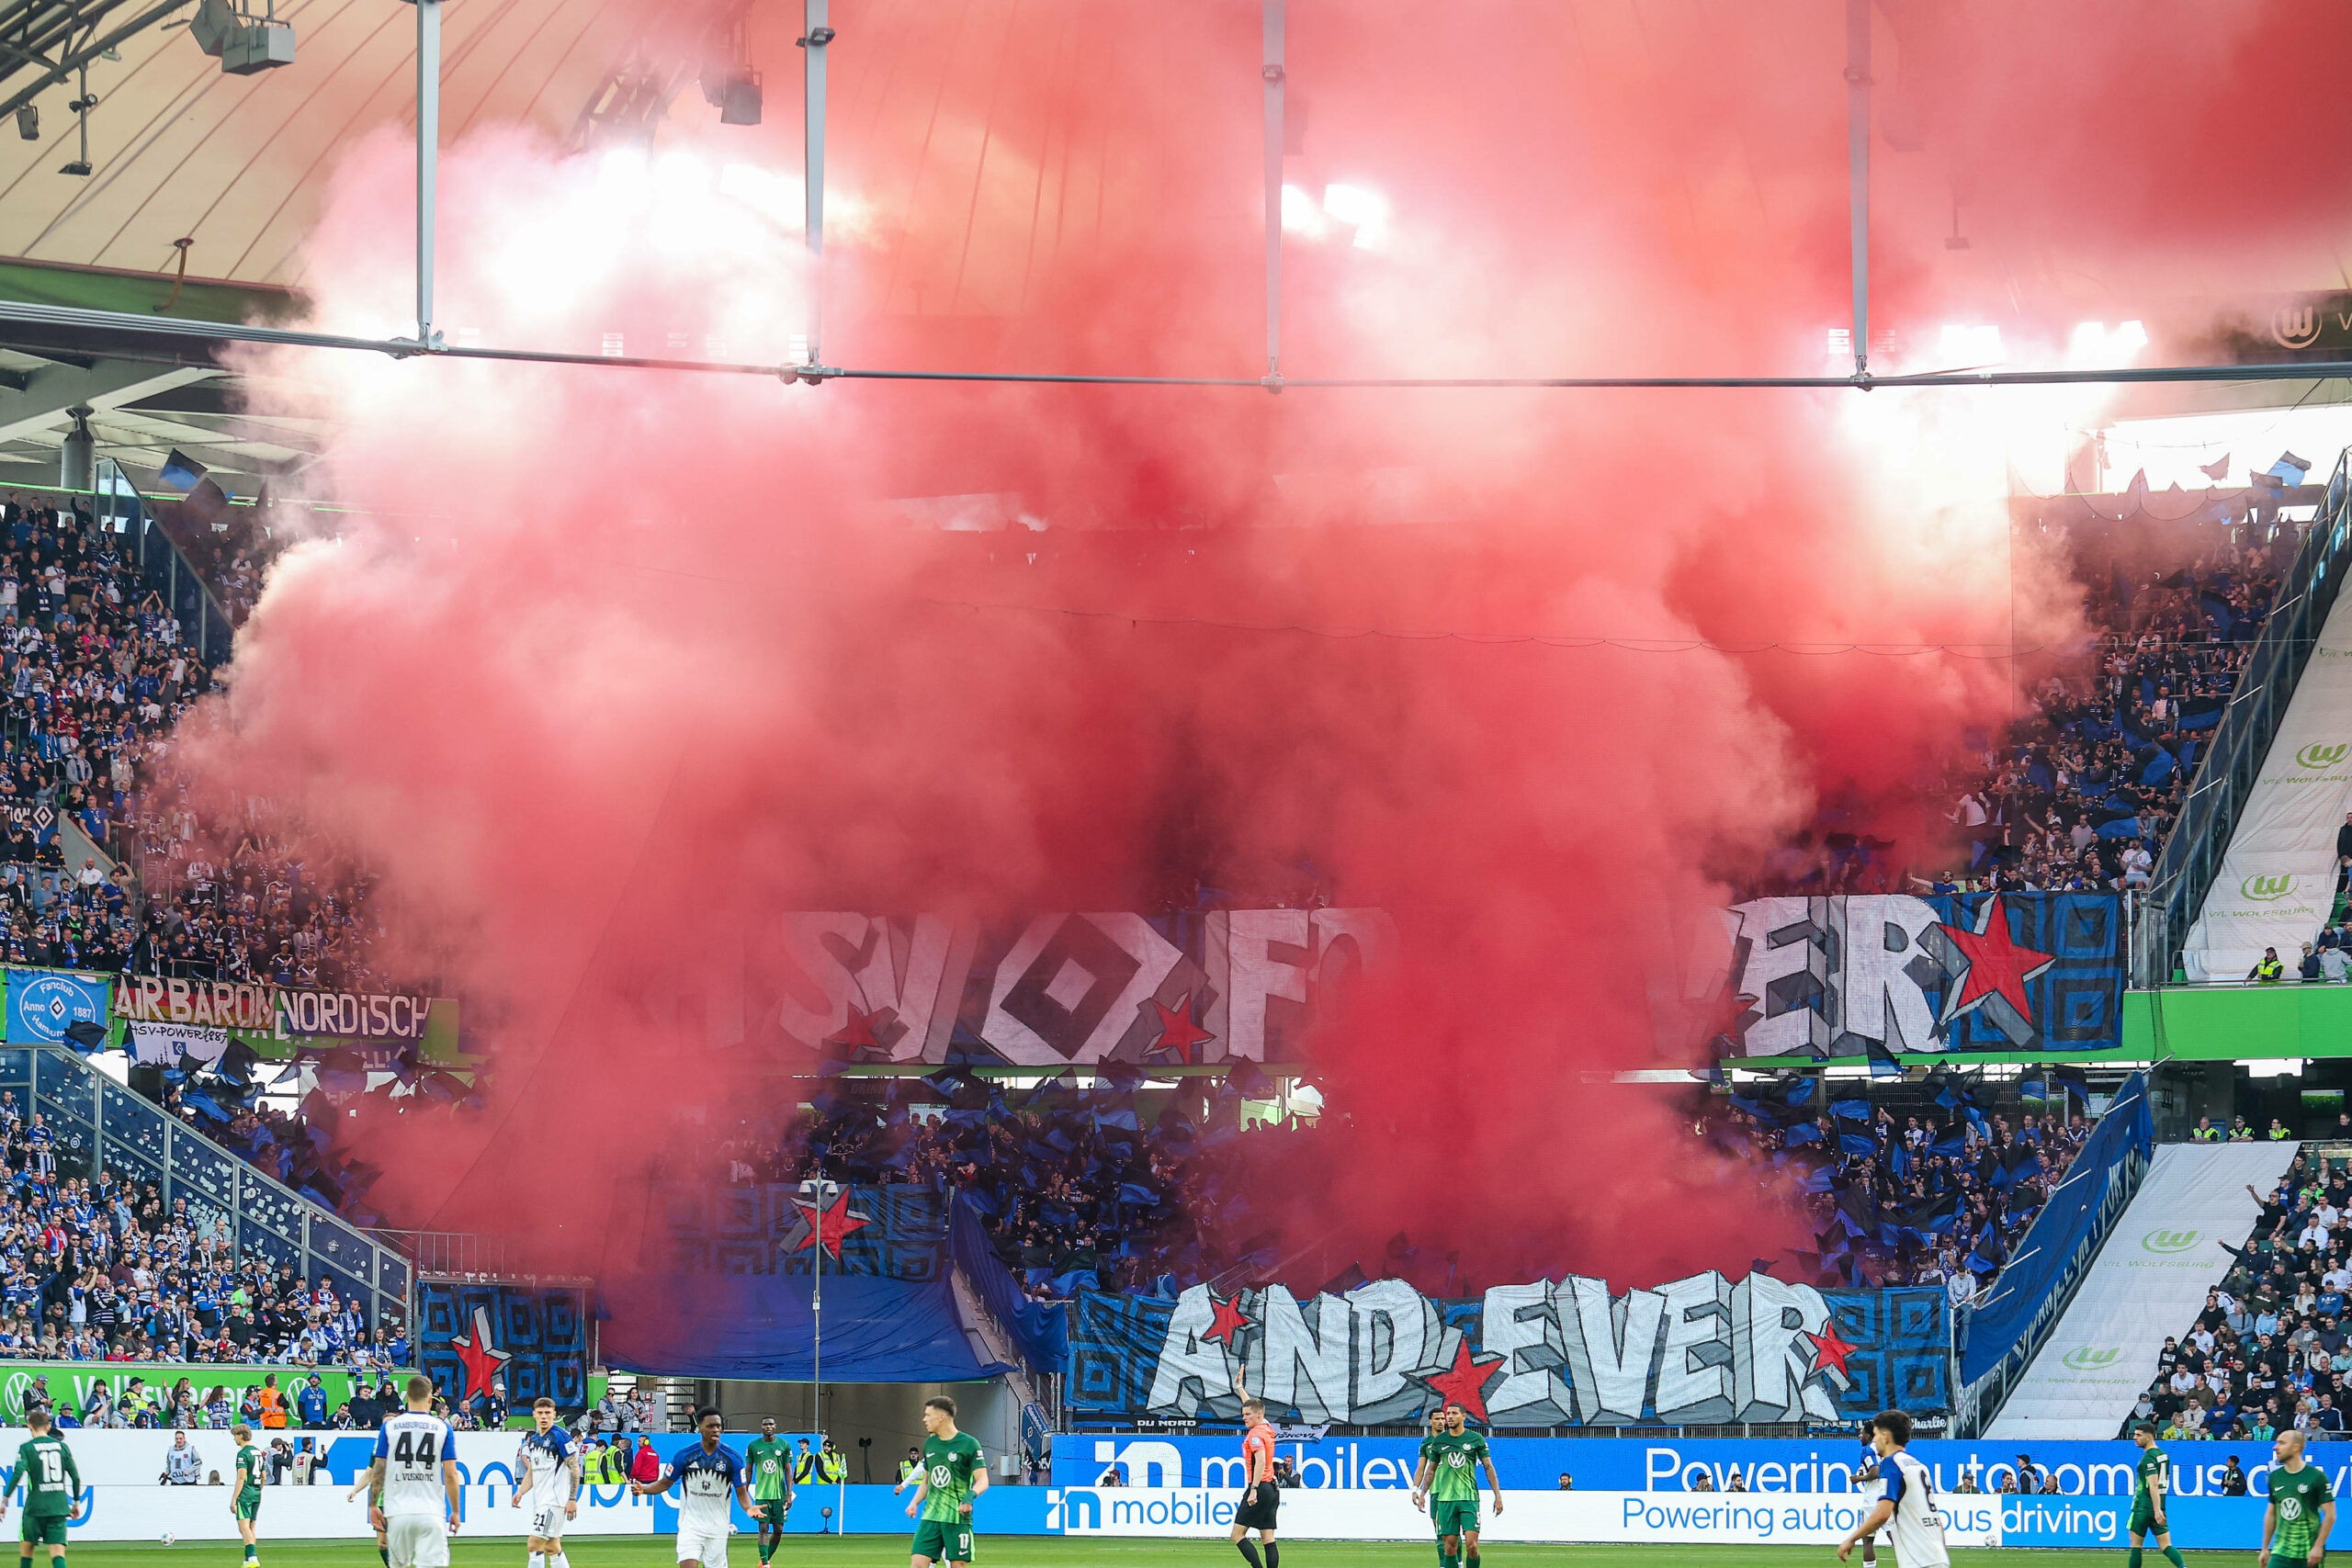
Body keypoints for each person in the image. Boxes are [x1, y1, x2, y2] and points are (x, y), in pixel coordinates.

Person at [632, 1406, 750, 1568]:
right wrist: (644, 1489)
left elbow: (741, 1492)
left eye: (718, 1426)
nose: (715, 1430)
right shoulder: (685, 1456)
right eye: (710, 1426)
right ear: (700, 1427)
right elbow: (664, 1483)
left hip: (718, 1528)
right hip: (690, 1526)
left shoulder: (733, 1459)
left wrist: (750, 1509)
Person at [368, 1375, 461, 1568]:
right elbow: (451, 1474)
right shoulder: (442, 1428)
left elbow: (379, 1469)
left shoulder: (390, 1426)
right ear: (430, 1399)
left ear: (407, 1397)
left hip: (397, 1513)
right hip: (431, 1512)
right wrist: (456, 1511)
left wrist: (372, 1504)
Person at [1838, 1410, 1948, 1568]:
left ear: (1886, 1437)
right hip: (1936, 1555)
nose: (1874, 1441)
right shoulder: (1919, 1466)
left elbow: (1882, 1514)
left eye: (1875, 1435)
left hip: (1917, 1560)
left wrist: (1851, 1539)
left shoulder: (1892, 1464)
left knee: (1870, 1539)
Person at [1413, 1401, 1503, 1568]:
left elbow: (1489, 1467)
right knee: (1449, 1547)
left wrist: (1497, 1495)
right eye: (1448, 1414)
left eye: (1454, 1414)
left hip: (1468, 1498)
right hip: (1445, 1500)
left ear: (1463, 1416)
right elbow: (1430, 1470)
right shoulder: (1439, 1441)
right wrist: (1423, 1493)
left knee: (1472, 1546)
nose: (1449, 1417)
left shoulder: (1475, 1439)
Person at [904, 1394, 986, 1568]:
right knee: (917, 1564)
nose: (924, 1419)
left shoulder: (969, 1444)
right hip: (931, 1516)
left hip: (956, 1517)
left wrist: (970, 1497)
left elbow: (983, 1480)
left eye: (928, 1415)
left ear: (941, 1417)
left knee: (958, 1565)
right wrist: (914, 1502)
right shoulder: (930, 1444)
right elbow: (927, 1481)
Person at [0, 1409, 82, 1568]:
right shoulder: (62, 1447)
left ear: (29, 1426)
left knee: (27, 1550)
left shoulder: (27, 1448)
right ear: (48, 1427)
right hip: (58, 1507)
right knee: (58, 1554)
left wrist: (5, 1500)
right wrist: (76, 1502)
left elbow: (17, 1474)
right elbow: (76, 1477)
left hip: (35, 1507)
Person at [513, 1396, 582, 1568]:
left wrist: (572, 1499)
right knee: (552, 1546)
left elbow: (574, 1467)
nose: (544, 1417)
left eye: (548, 1413)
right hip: (541, 1500)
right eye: (541, 1413)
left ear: (554, 1415)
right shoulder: (535, 1440)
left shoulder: (561, 1437)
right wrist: (521, 1492)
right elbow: (532, 1471)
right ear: (534, 1414)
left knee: (534, 1544)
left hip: (554, 1500)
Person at [2262, 1427, 2335, 1568]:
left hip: (2308, 1553)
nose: (2276, 1447)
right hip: (2281, 1551)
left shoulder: (2316, 1477)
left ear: (2296, 1447)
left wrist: (2318, 1547)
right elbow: (2271, 1514)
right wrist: (2265, 1548)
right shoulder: (2275, 1477)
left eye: (2282, 1443)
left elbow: (2330, 1515)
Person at [2128, 1419, 2187, 1568]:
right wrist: (2160, 1507)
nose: (2135, 1438)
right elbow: (2164, 1480)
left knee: (2136, 1546)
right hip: (2160, 1506)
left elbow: (2153, 1484)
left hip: (2143, 1507)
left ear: (2149, 1437)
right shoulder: (2163, 1456)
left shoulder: (2148, 1458)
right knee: (2166, 1545)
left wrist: (2156, 1509)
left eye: (2138, 1435)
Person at [743, 1416, 795, 1567]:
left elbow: (788, 1469)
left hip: (779, 1494)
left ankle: (766, 1558)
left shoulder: (783, 1445)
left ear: (775, 1426)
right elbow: (748, 1469)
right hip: (762, 1495)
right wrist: (744, 1490)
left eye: (771, 1424)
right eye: (765, 1424)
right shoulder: (754, 1446)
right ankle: (765, 1563)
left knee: (778, 1530)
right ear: (761, 1427)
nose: (768, 1426)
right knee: (763, 1527)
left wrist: (789, 1493)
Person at [231, 1421, 266, 1566]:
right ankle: (247, 1560)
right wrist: (258, 1489)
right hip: (257, 1493)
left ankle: (252, 1558)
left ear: (241, 1436)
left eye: (235, 1436)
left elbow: (241, 1477)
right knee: (251, 1528)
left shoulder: (243, 1454)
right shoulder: (258, 1451)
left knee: (243, 1527)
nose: (234, 1439)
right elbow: (264, 1476)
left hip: (245, 1493)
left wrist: (234, 1498)